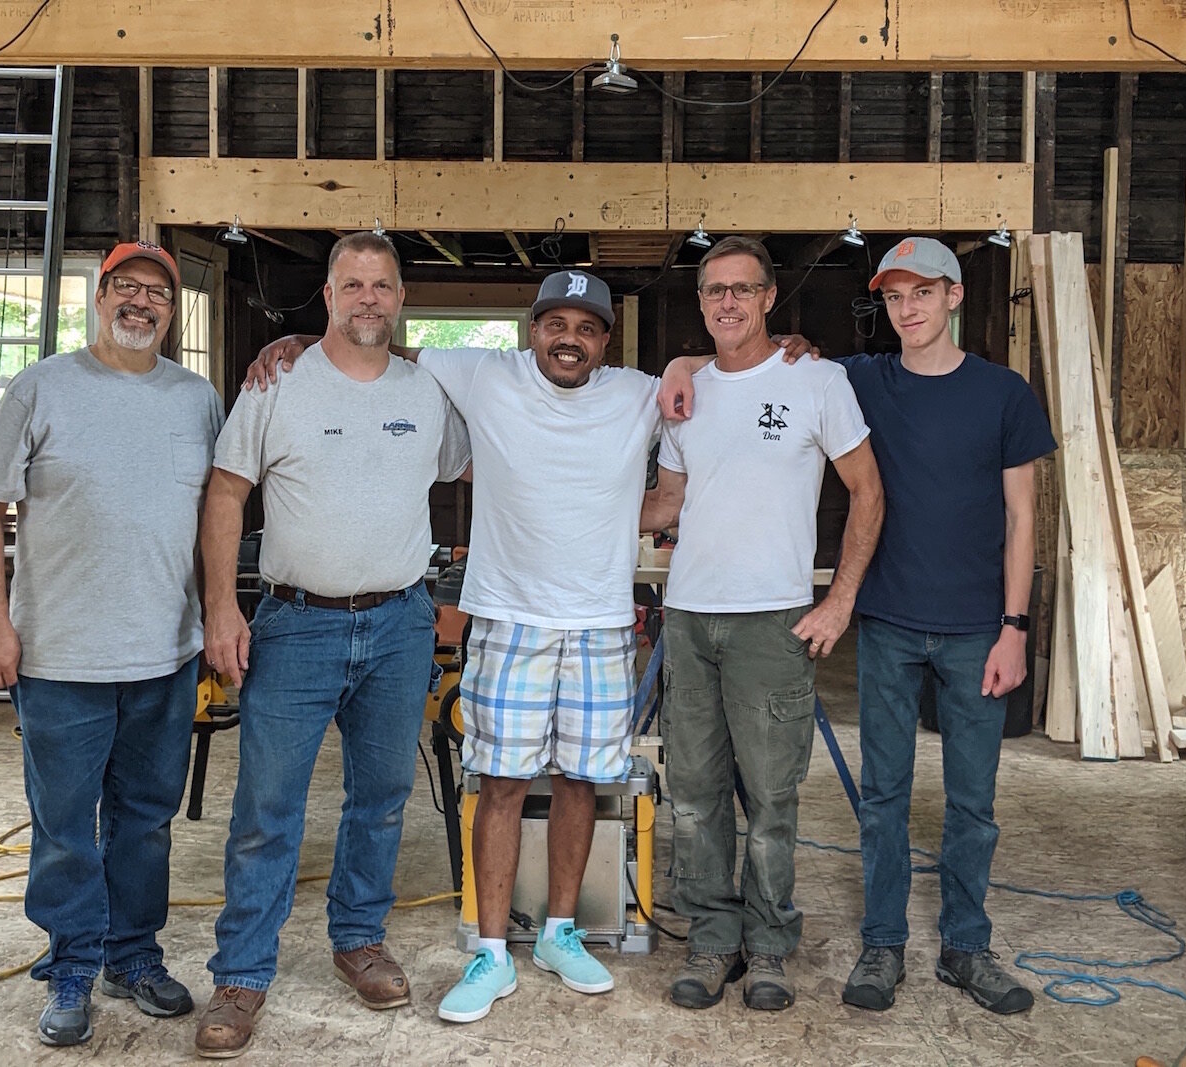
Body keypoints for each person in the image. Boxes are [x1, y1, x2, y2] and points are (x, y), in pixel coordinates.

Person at [246, 272, 818, 1024]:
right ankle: (490, 950)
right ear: (531, 329)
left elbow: (727, 375)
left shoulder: (639, 392)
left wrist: (766, 349)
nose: (568, 338)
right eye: (555, 323)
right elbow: (380, 344)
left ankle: (559, 932)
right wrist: (300, 344)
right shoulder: (483, 372)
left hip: (600, 621)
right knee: (503, 782)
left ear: (606, 342)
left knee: (584, 780)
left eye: (586, 327)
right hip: (510, 618)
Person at [664, 235, 1053, 1016]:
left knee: (972, 801)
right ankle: (882, 943)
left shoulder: (1002, 393)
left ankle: (966, 947)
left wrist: (1016, 625)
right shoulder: (857, 376)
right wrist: (678, 365)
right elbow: (756, 365)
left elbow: (1021, 516)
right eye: (895, 296)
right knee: (881, 796)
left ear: (953, 297)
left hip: (977, 625)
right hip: (890, 622)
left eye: (923, 293)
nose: (908, 309)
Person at [193, 232, 470, 1059]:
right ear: (327, 295)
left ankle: (358, 938)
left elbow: (471, 472)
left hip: (399, 622)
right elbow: (225, 495)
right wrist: (219, 607)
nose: (368, 298)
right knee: (267, 810)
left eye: (382, 285)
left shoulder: (426, 392)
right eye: (352, 284)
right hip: (295, 620)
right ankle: (242, 972)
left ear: (400, 298)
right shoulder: (277, 383)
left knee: (381, 796)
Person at [0, 240, 221, 1046]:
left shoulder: (196, 398)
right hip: (59, 656)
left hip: (166, 653)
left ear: (171, 312)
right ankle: (72, 959)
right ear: (100, 296)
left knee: (145, 818)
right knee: (67, 820)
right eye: (127, 288)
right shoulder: (41, 387)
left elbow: (218, 512)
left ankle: (132, 953)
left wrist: (215, 616)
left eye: (158, 293)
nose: (141, 303)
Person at [640, 236, 884, 1012]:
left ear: (770, 298)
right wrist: (563, 499)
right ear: (702, 300)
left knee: (773, 797)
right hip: (689, 616)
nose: (728, 302)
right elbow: (666, 504)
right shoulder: (687, 392)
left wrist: (839, 600)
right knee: (697, 790)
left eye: (743, 289)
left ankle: (771, 943)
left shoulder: (817, 381)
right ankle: (714, 938)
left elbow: (868, 493)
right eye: (715, 290)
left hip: (774, 620)